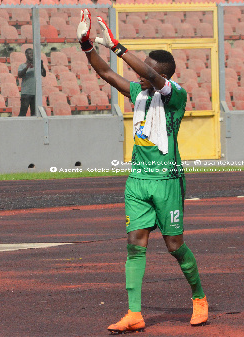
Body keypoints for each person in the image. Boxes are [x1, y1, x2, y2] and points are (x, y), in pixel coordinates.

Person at [76, 9, 208, 334]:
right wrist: (87, 46)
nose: (138, 74)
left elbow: (142, 68)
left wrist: (118, 46)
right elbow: (107, 74)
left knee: (175, 246)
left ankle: (199, 297)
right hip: (137, 181)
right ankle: (134, 313)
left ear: (160, 75)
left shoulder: (176, 96)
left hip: (167, 181)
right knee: (135, 242)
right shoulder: (139, 93)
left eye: (146, 70)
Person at [17, 48, 46, 117]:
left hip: (35, 93)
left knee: (34, 114)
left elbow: (44, 74)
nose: (32, 55)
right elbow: (20, 75)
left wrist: (42, 66)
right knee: (23, 112)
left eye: (33, 53)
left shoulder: (37, 66)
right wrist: (27, 67)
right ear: (26, 55)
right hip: (26, 93)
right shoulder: (22, 66)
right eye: (30, 53)